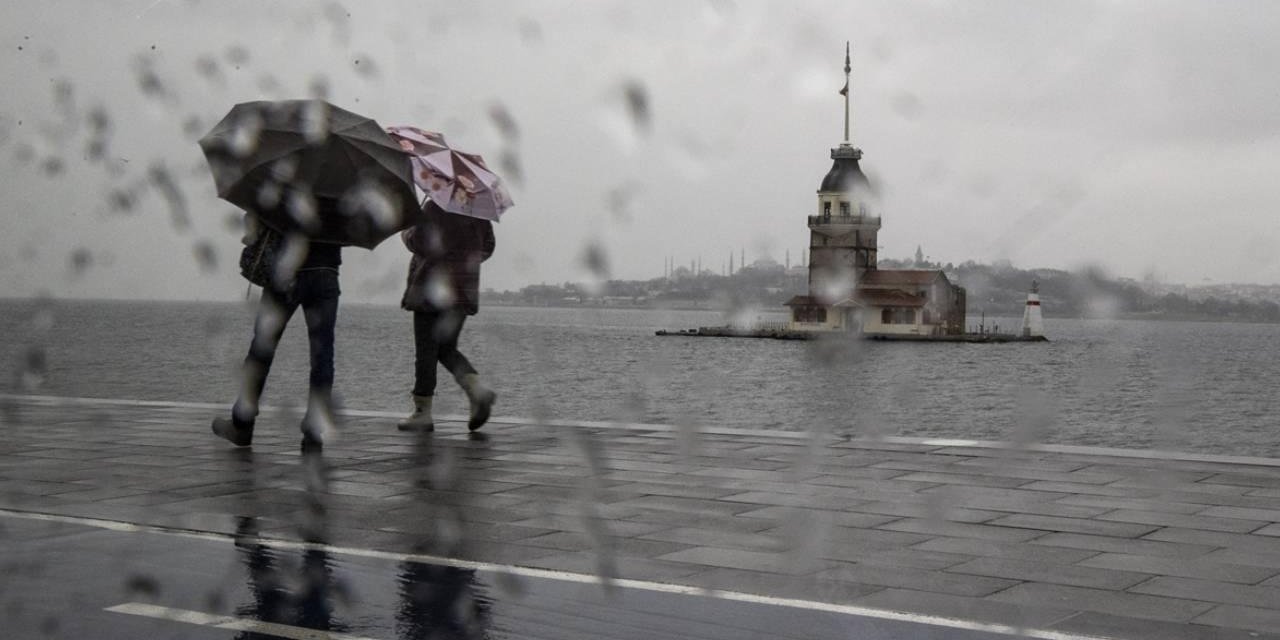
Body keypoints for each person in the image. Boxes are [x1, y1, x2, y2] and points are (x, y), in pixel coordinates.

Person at [213, 203, 343, 450]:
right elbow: (349, 231)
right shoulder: (343, 181)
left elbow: (260, 217)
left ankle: (242, 422)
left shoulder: (288, 171)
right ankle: (314, 431)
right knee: (323, 354)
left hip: (286, 271)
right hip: (326, 272)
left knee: (262, 348)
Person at [397, 200, 496, 432]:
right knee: (446, 348)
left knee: (426, 351)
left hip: (431, 291)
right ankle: (477, 391)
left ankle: (422, 412)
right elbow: (488, 247)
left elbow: (421, 242)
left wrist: (407, 233)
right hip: (462, 293)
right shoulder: (478, 211)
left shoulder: (435, 206)